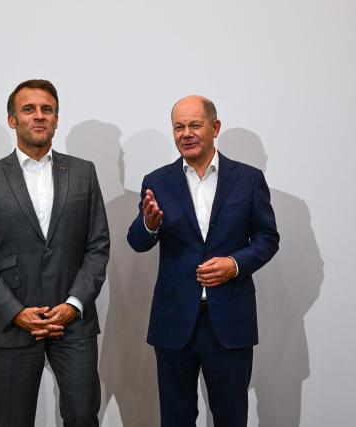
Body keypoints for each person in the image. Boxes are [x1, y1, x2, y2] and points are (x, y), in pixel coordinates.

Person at [0, 79, 109, 427]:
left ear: (57, 119)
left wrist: (73, 306)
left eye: (47, 109)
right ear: (12, 120)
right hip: (12, 326)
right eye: (29, 109)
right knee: (14, 420)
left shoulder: (83, 173)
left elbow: (98, 246)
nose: (39, 116)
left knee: (82, 416)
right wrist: (16, 312)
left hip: (73, 324)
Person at [127, 95, 279, 426]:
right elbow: (136, 241)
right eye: (179, 127)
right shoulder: (157, 181)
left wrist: (235, 264)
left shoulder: (248, 179)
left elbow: (268, 239)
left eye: (194, 125)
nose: (186, 133)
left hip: (229, 321)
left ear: (215, 127)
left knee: (231, 417)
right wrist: (150, 225)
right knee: (176, 418)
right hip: (173, 321)